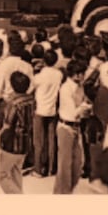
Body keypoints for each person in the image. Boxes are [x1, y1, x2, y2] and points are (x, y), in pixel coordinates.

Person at [54, 59, 91, 194]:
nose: (84, 76)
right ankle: (61, 195)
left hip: (76, 127)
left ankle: (68, 191)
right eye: (83, 73)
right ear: (76, 74)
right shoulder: (65, 89)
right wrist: (84, 107)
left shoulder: (80, 86)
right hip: (66, 127)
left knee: (77, 164)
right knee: (65, 166)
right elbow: (71, 113)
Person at [0, 71, 35, 193]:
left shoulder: (13, 104)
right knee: (16, 173)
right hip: (25, 143)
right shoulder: (31, 100)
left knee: (1, 174)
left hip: (12, 144)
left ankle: (17, 197)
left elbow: (7, 126)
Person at [32, 49, 63, 177]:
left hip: (40, 109)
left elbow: (31, 87)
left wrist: (35, 70)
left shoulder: (39, 76)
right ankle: (51, 167)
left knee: (38, 141)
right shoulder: (59, 74)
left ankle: (38, 169)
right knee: (51, 140)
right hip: (52, 109)